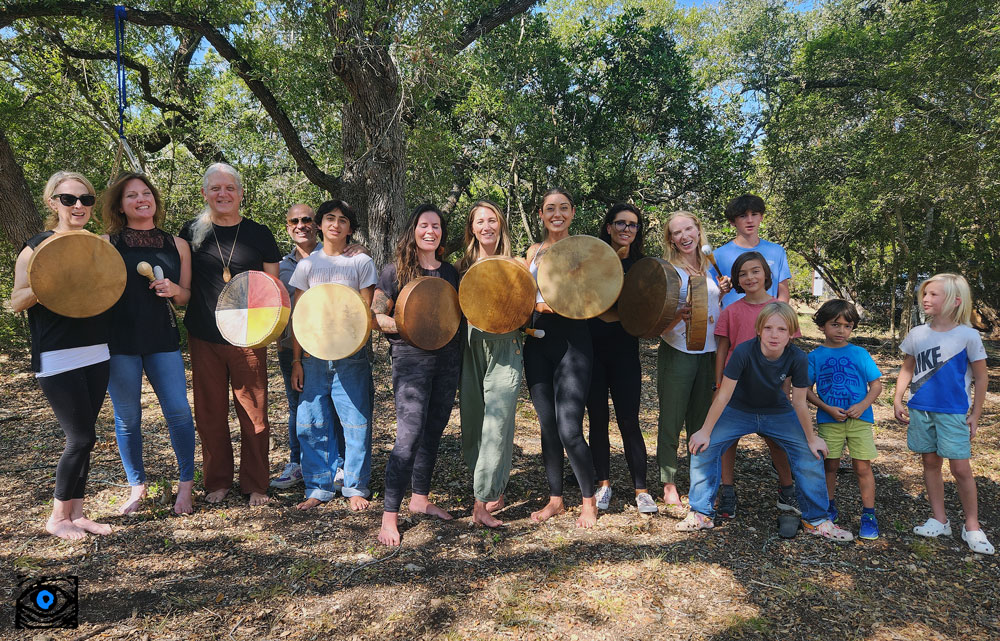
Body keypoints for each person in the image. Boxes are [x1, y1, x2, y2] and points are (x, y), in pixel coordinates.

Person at [679, 302, 853, 542]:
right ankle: (701, 513)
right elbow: (724, 395)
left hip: (777, 412)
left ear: (791, 333)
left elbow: (800, 402)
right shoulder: (743, 351)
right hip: (739, 409)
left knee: (810, 454)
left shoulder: (797, 358)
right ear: (759, 330)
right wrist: (705, 431)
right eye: (768, 328)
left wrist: (811, 439)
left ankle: (816, 520)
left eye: (782, 329)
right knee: (703, 446)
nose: (774, 334)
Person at [11, 171, 112, 539]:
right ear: (53, 202)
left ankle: (79, 513)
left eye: (85, 199)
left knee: (90, 435)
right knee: (79, 438)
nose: (79, 206)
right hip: (57, 354)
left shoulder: (97, 244)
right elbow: (16, 301)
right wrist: (51, 275)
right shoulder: (35, 246)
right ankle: (57, 518)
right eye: (69, 199)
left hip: (98, 350)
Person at [178, 162, 282, 506]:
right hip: (204, 335)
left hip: (248, 338)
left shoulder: (259, 234)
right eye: (216, 188)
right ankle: (217, 482)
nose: (223, 194)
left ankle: (256, 485)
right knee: (209, 414)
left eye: (230, 188)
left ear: (240, 193)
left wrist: (267, 331)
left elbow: (272, 289)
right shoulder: (191, 232)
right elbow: (185, 286)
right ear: (205, 193)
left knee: (254, 413)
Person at [102, 172, 196, 516]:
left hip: (162, 338)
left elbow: (185, 297)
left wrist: (174, 291)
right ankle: (137, 486)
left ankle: (186, 484)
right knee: (127, 418)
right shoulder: (106, 242)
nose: (141, 199)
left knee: (179, 412)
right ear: (120, 206)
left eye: (146, 193)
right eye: (131, 196)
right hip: (119, 340)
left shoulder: (178, 244)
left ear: (155, 199)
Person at [373, 204, 462, 546]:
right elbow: (377, 317)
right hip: (411, 360)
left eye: (436, 226)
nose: (430, 231)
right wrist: (413, 329)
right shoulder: (395, 272)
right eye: (424, 225)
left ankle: (420, 499)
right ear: (413, 231)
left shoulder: (450, 272)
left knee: (433, 430)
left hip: (448, 360)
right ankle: (389, 518)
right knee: (408, 437)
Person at [894, 273, 994, 554]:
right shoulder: (917, 334)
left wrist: (976, 413)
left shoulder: (968, 335)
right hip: (921, 410)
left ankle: (972, 526)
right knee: (930, 463)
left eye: (934, 294)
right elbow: (907, 368)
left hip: (954, 413)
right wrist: (898, 399)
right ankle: (940, 519)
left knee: (961, 469)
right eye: (924, 294)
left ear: (955, 301)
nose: (926, 299)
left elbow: (982, 377)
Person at [711, 195, 797, 518]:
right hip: (735, 347)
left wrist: (784, 328)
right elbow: (713, 298)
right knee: (728, 428)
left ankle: (787, 488)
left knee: (775, 429)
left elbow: (784, 294)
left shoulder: (776, 251)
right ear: (733, 221)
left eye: (755, 214)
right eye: (742, 215)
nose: (749, 219)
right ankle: (727, 490)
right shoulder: (718, 254)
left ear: (761, 217)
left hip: (771, 350)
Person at [289, 199, 377, 511]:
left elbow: (367, 314)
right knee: (311, 423)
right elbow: (299, 315)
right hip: (313, 358)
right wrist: (297, 360)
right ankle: (317, 487)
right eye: (329, 218)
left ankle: (354, 486)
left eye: (342, 220)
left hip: (351, 358)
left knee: (356, 423)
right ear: (319, 224)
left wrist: (352, 347)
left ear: (350, 228)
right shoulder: (307, 266)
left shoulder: (360, 262)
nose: (335, 224)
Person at [524, 188, 598, 528]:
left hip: (573, 341)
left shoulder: (585, 249)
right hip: (537, 341)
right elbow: (523, 295)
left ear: (572, 212)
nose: (557, 213)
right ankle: (556, 499)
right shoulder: (532, 252)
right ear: (541, 214)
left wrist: (553, 305)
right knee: (547, 426)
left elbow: (598, 295)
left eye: (563, 208)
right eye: (550, 208)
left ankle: (588, 501)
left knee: (570, 429)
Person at [656, 211, 731, 517]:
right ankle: (669, 482)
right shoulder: (667, 270)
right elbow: (655, 321)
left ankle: (699, 481)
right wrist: (680, 315)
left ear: (699, 231)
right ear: (670, 239)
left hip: (710, 352)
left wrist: (722, 293)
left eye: (689, 229)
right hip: (679, 350)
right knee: (672, 418)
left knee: (702, 421)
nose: (684, 236)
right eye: (677, 232)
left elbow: (718, 309)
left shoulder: (711, 266)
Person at [456, 200, 524, 528]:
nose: (487, 226)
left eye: (492, 220)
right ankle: (489, 485)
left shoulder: (517, 265)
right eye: (480, 221)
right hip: (470, 346)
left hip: (506, 347)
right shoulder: (461, 267)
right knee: (473, 420)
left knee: (497, 422)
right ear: (472, 228)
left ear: (501, 225)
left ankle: (482, 499)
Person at [586, 203, 656, 515]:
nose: (626, 229)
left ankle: (641, 488)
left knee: (629, 419)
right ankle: (603, 484)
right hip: (592, 350)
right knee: (598, 419)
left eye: (633, 225)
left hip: (625, 352)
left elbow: (650, 312)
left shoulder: (643, 267)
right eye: (621, 223)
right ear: (609, 227)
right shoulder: (592, 260)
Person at [806, 299, 882, 540]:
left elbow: (876, 385)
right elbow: (806, 390)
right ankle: (828, 507)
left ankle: (869, 514)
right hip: (830, 421)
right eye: (835, 324)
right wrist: (826, 408)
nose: (841, 331)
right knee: (830, 464)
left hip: (860, 420)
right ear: (822, 326)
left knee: (862, 466)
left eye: (847, 326)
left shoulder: (859, 353)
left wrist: (862, 406)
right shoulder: (815, 356)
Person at [271, 204, 320, 490]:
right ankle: (297, 463)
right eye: (294, 221)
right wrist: (281, 347)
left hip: (329, 346)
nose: (300, 225)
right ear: (288, 226)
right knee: (297, 405)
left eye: (306, 220)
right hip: (292, 349)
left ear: (316, 225)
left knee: (331, 405)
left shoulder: (334, 257)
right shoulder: (279, 267)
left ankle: (335, 464)